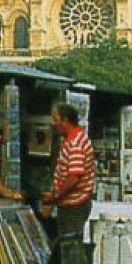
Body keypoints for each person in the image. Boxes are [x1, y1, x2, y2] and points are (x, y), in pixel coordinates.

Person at [40, 101, 95, 240]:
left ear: (65, 120)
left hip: (74, 206)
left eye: (56, 120)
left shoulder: (75, 143)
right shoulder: (75, 138)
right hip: (73, 204)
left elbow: (74, 177)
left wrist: (55, 197)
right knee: (68, 245)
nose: (54, 124)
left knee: (70, 246)